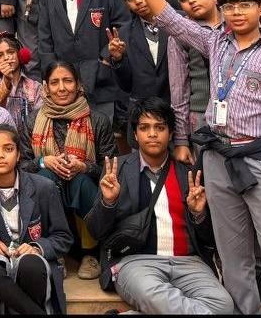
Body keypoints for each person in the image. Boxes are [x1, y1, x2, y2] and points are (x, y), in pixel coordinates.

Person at [115, 0, 261, 314]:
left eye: (245, 5)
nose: (236, 13)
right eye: (231, 6)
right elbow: (167, 16)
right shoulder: (214, 43)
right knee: (232, 254)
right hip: (217, 157)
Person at [84, 97, 234, 314]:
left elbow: (209, 239)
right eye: (144, 128)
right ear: (135, 134)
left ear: (171, 133)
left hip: (189, 264)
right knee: (153, 294)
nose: (152, 134)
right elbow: (96, 231)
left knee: (223, 304)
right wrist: (108, 202)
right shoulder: (117, 171)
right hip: (136, 263)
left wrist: (199, 213)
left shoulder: (188, 173)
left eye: (160, 127)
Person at [19, 60, 116, 280]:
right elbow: (22, 165)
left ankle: (90, 254)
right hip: (48, 190)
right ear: (46, 87)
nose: (62, 88)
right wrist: (43, 161)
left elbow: (111, 168)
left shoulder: (97, 120)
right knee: (45, 179)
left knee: (80, 181)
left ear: (78, 84)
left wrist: (84, 166)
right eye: (55, 82)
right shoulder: (34, 121)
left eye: (68, 81)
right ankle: (54, 251)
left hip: (84, 192)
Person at [0, 123, 71, 315]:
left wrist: (37, 247)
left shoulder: (44, 187)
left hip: (33, 265)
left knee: (30, 264)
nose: (0, 155)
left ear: (19, 154)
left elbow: (63, 237)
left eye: (8, 149)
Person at [37, 0, 130, 116]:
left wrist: (106, 59)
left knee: (102, 131)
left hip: (103, 79)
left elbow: (123, 22)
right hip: (66, 86)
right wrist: (53, 75)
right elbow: (44, 40)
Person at [167, 0, 219, 163]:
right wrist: (181, 140)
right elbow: (179, 91)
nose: (191, 1)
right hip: (200, 116)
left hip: (239, 114)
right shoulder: (179, 35)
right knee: (207, 175)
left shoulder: (235, 21)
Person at [111, 0, 170, 127]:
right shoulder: (123, 34)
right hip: (142, 119)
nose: (138, 1)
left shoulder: (181, 22)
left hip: (177, 114)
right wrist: (118, 59)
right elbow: (126, 85)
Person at [0, 32, 42, 143]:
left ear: (20, 56)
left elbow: (39, 121)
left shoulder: (36, 87)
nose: (6, 58)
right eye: (0, 55)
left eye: (10, 52)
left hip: (29, 143)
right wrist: (6, 80)